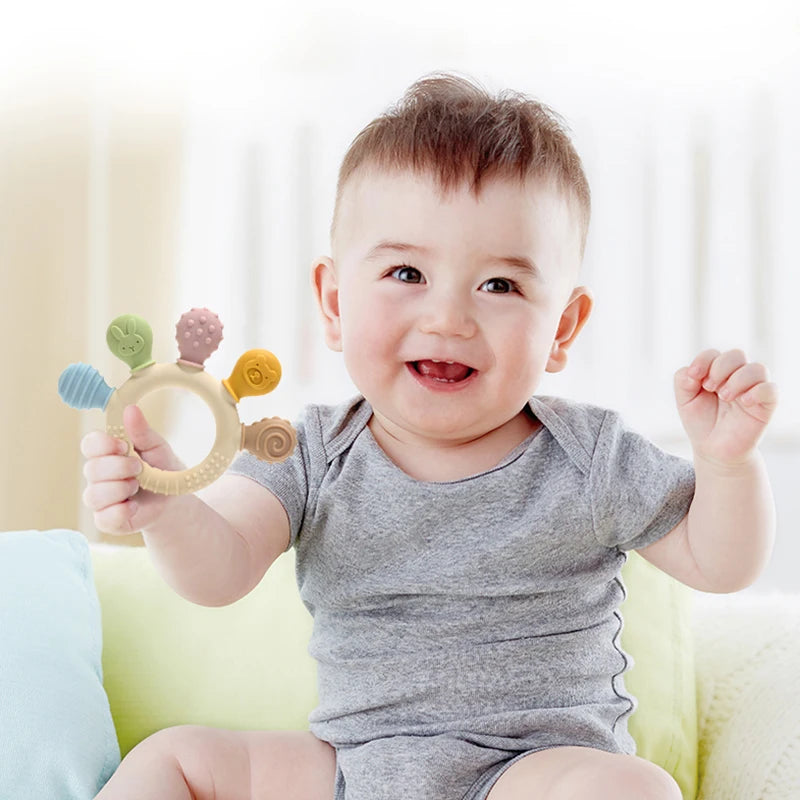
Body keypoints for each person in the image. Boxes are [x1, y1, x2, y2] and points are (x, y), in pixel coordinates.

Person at [83, 73, 777, 800]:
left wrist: (726, 463)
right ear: (334, 302)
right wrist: (169, 510)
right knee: (177, 760)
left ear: (562, 328)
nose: (448, 318)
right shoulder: (309, 453)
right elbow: (218, 571)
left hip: (531, 771)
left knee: (633, 789)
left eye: (500, 285)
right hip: (355, 769)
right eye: (407, 272)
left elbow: (719, 563)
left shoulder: (590, 458)